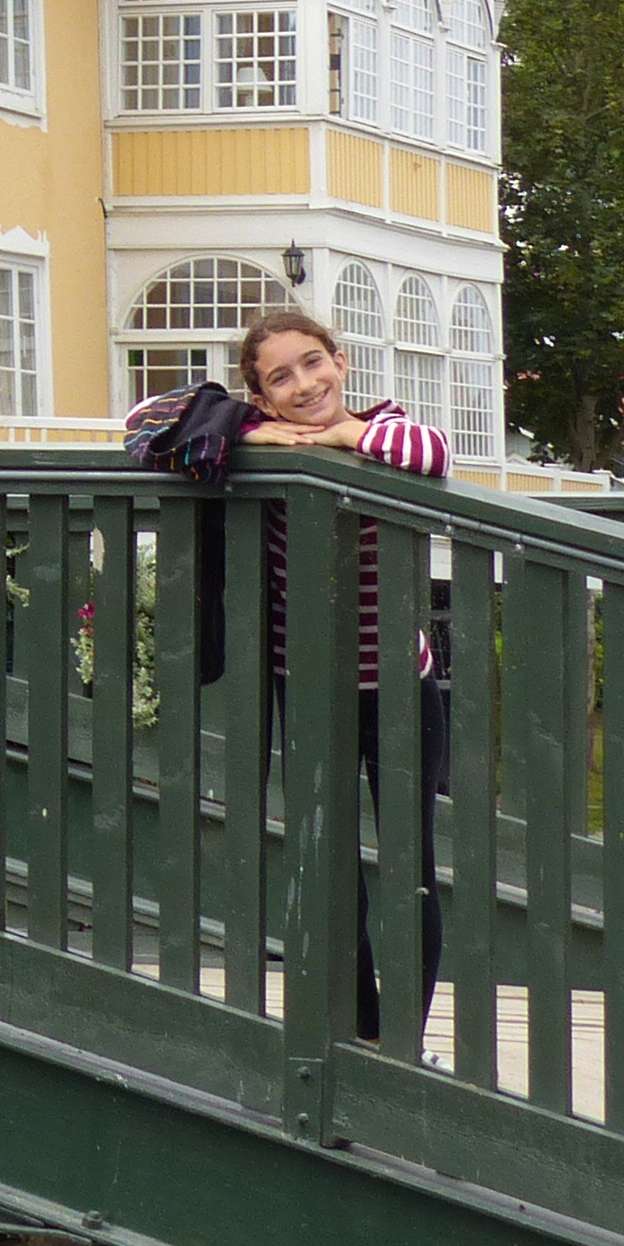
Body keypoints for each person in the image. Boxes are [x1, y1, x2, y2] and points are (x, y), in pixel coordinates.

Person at [239, 305, 447, 1049]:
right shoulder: (260, 439)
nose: (303, 384)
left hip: (401, 690)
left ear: (341, 362)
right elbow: (147, 425)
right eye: (280, 379)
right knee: (329, 867)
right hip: (309, 691)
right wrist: (252, 435)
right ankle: (359, 1030)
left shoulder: (383, 429)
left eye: (313, 362)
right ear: (261, 397)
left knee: (409, 865)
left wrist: (341, 436)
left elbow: (432, 451)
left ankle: (403, 1041)